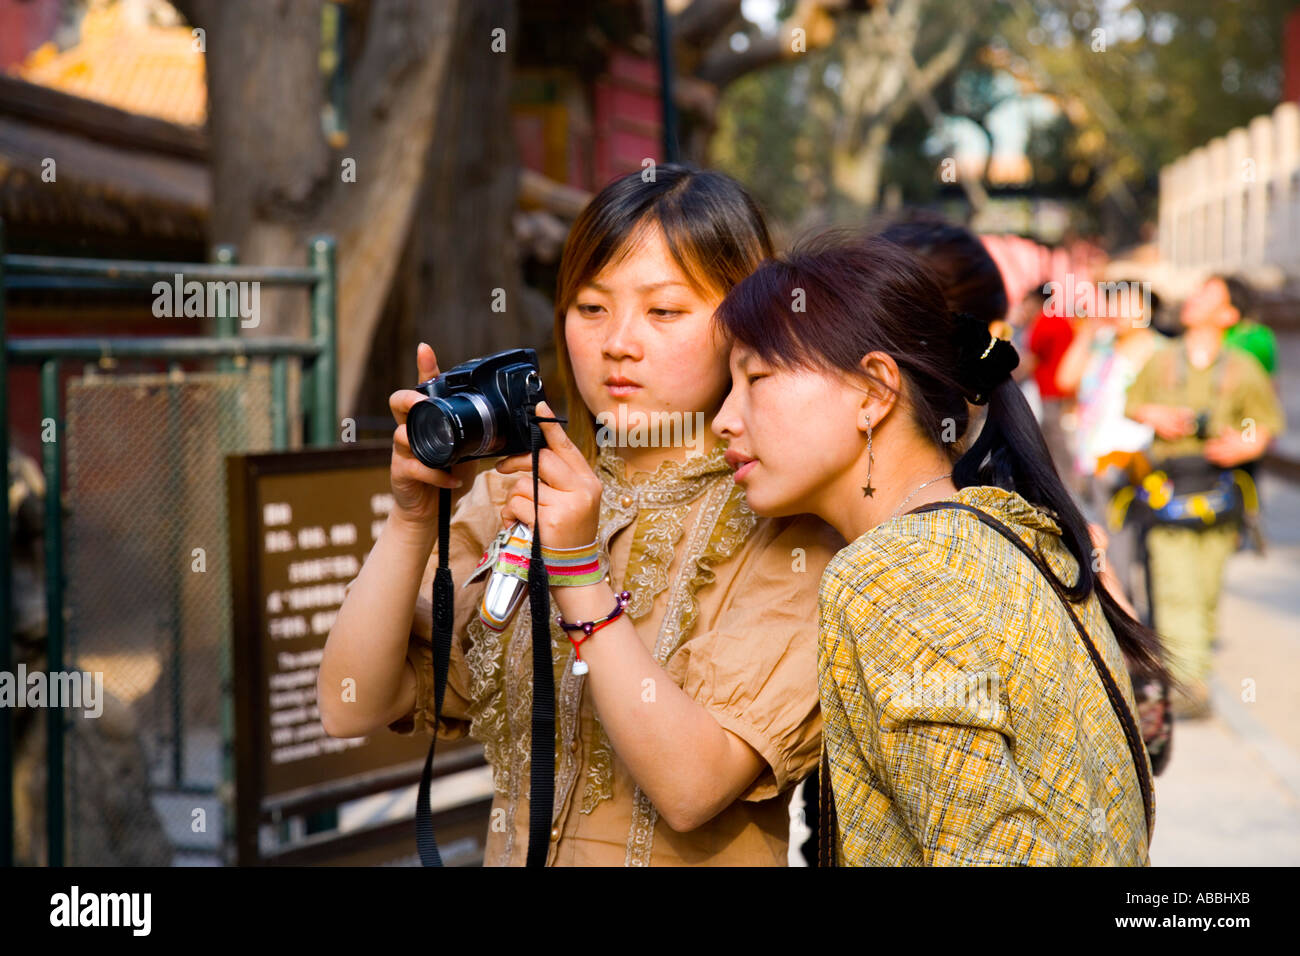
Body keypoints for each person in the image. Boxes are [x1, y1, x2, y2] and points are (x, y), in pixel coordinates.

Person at [318, 165, 843, 866]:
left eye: (664, 311)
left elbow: (693, 786)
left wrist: (574, 567)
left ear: (742, 325)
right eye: (591, 308)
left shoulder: (789, 525)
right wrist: (413, 519)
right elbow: (349, 705)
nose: (618, 342)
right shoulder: (516, 492)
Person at [710, 232, 1169, 865]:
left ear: (874, 392)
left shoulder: (891, 576)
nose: (724, 419)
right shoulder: (1016, 530)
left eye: (756, 378)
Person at [1124, 274, 1286, 719]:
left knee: (1206, 589)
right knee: (1175, 587)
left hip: (1218, 490)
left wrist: (1244, 442)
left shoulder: (1242, 367)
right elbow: (1132, 403)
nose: (1193, 299)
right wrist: (1154, 414)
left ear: (1228, 314)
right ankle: (1190, 685)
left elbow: (1266, 423)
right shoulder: (1161, 361)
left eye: (1207, 294)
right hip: (1167, 487)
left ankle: (1194, 666)